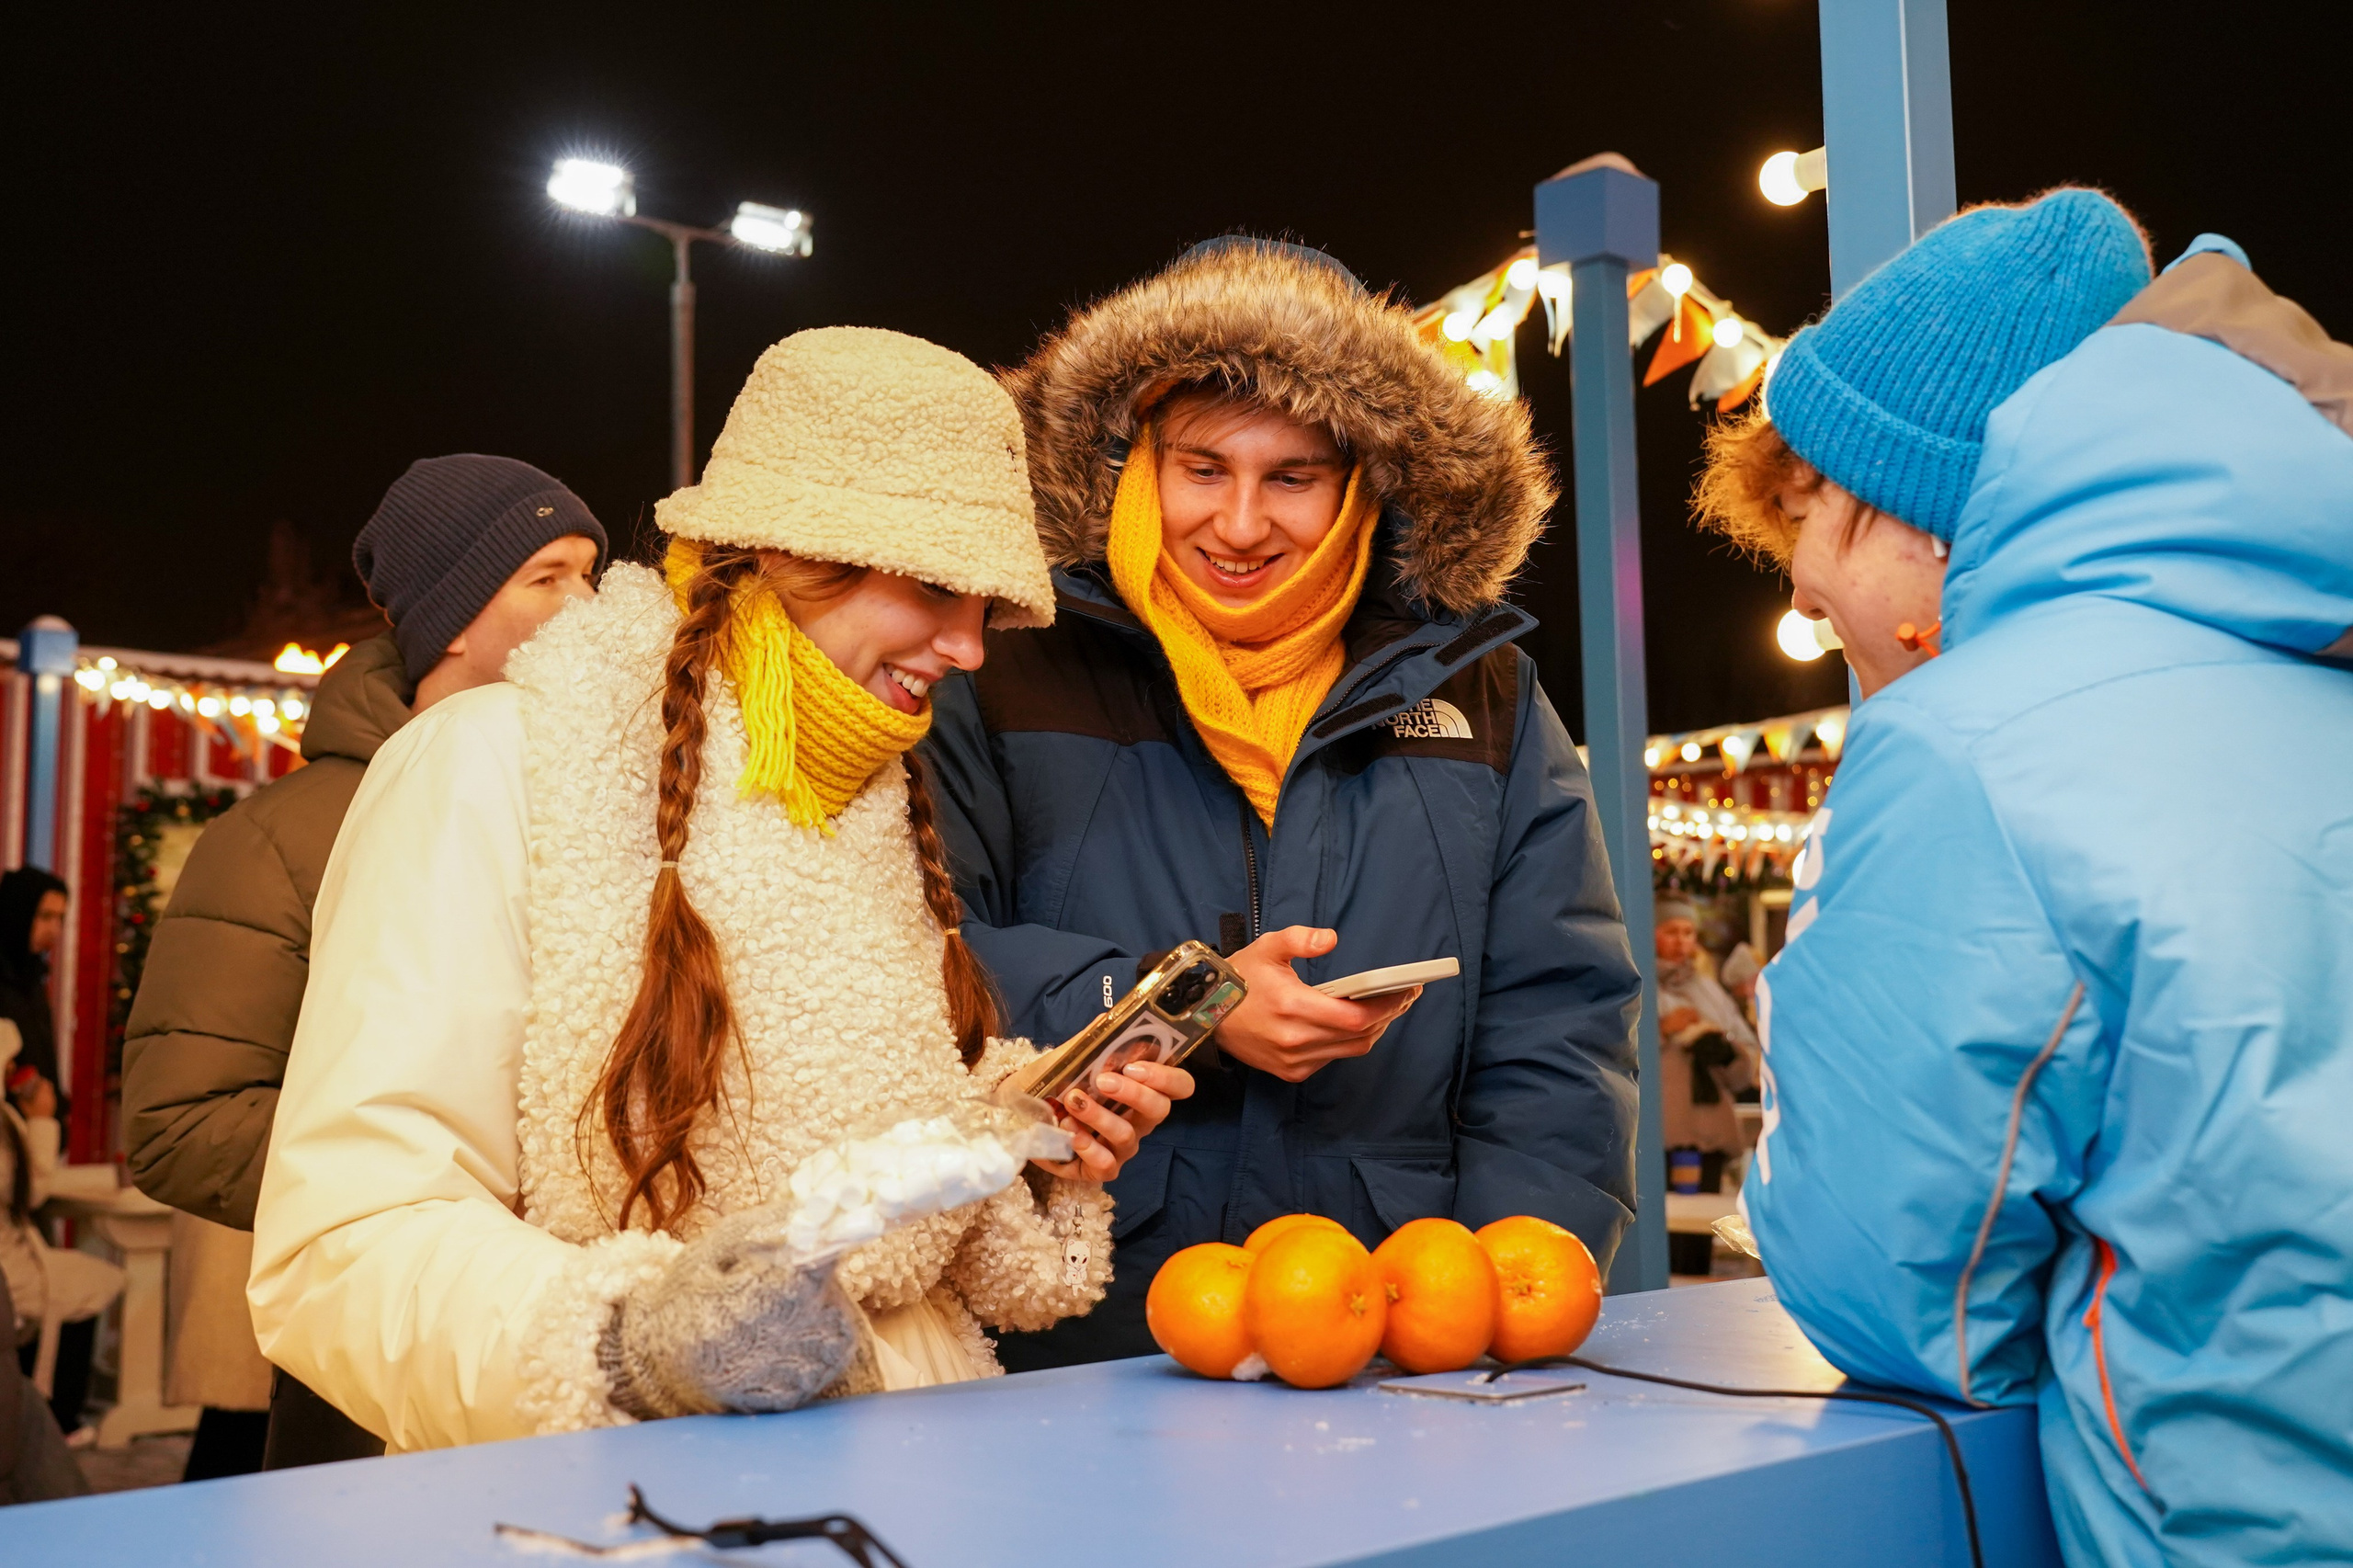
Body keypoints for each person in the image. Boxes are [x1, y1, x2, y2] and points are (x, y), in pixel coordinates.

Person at [249, 327, 1194, 1451]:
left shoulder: (863, 785)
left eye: (988, 604)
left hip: (910, 1466)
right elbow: (350, 1234)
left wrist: (1021, 1137)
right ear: (786, 555)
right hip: (636, 1483)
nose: (972, 647)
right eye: (939, 586)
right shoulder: (496, 760)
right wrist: (629, 1346)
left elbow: (838, 1160)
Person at [1693, 187, 2353, 1563]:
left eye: (1813, 504)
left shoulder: (1971, 747)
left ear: (1923, 515)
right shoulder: (2309, 670)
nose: (1803, 579)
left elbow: (1896, 1291)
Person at [921, 238, 1642, 1370]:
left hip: (1405, 1324)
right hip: (1088, 1324)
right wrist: (1183, 1001)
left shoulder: (1481, 685)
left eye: (1292, 476)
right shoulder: (999, 657)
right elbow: (923, 954)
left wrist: (1511, 1272)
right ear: (1133, 465)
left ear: (1363, 479)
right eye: (1204, 468)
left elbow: (1560, 1010)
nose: (1244, 524)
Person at [122, 452, 608, 1473]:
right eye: (548, 576)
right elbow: (179, 1117)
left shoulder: (607, 808)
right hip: (384, 1359)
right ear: (457, 617)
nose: (590, 605)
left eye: (592, 572)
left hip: (571, 1338)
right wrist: (414, 1179)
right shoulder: (280, 836)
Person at [2, 1020, 122, 1447]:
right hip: (10, 1267)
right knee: (85, 1282)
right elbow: (30, 1190)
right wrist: (42, 1120)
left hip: (14, 1256)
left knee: (85, 1277)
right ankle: (60, 1415)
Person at [1652, 896, 1756, 1192]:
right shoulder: (1637, 984)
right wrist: (1659, 1031)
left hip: (1709, 1135)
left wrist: (1727, 1054)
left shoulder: (1708, 990)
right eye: (1671, 931)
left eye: (1688, 933)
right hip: (1657, 1136)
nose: (1681, 941)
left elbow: (1745, 1052)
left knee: (1700, 1225)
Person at [0, 869, 72, 1126]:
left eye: (60, 918)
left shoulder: (32, 977)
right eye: (45, 916)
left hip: (38, 1126)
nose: (54, 929)